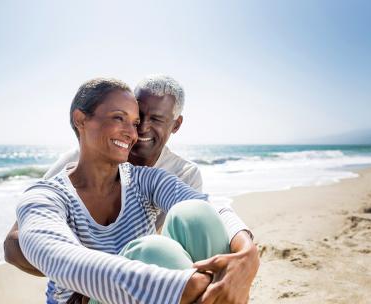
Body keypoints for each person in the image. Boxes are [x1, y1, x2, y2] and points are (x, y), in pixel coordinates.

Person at [14, 78, 259, 303]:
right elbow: (54, 255)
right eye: (119, 118)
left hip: (152, 287)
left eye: (135, 122)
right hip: (88, 297)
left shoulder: (145, 179)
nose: (135, 132)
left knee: (196, 213)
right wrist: (182, 285)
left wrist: (247, 251)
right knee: (155, 251)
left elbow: (207, 204)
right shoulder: (46, 195)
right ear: (81, 120)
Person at [4, 75, 203, 283]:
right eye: (137, 117)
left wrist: (240, 253)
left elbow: (188, 243)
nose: (140, 128)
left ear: (176, 125)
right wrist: (83, 276)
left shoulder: (181, 174)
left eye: (156, 119)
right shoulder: (79, 159)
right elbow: (13, 243)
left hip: (145, 279)